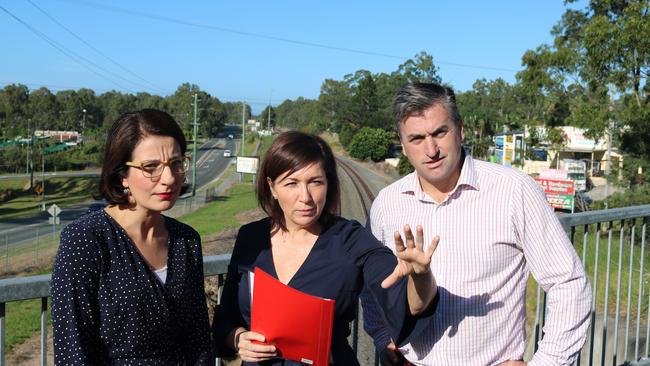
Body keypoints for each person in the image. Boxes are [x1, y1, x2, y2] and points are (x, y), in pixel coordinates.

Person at [360, 83, 592, 366]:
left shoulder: (514, 191)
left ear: (460, 129)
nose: (431, 149)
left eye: (439, 132)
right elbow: (371, 287)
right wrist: (383, 337)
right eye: (417, 138)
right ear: (403, 144)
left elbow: (568, 283)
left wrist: (547, 362)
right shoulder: (387, 203)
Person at [213, 131, 439, 365]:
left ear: (328, 184)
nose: (305, 197)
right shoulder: (251, 238)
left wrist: (420, 278)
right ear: (272, 187)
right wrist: (238, 338)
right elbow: (226, 318)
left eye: (315, 182)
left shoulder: (351, 240)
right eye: (291, 183)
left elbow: (407, 304)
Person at [51, 109, 211, 365]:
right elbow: (73, 350)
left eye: (176, 163)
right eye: (151, 167)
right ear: (122, 174)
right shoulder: (85, 240)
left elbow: (199, 340)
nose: (169, 178)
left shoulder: (186, 240)